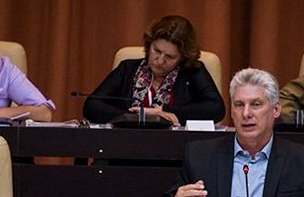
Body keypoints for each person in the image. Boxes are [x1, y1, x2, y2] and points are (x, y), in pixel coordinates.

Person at [154, 67, 304, 197]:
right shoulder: (201, 155)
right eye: (239, 105)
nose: (246, 114)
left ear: (276, 109)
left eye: (256, 104)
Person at [82, 15, 225, 126]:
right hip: (124, 149)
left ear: (182, 57)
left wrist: (168, 112)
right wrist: (135, 118)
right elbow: (92, 106)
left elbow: (216, 108)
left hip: (174, 156)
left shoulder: (193, 72)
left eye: (170, 57)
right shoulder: (127, 68)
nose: (160, 60)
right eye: (157, 50)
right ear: (149, 44)